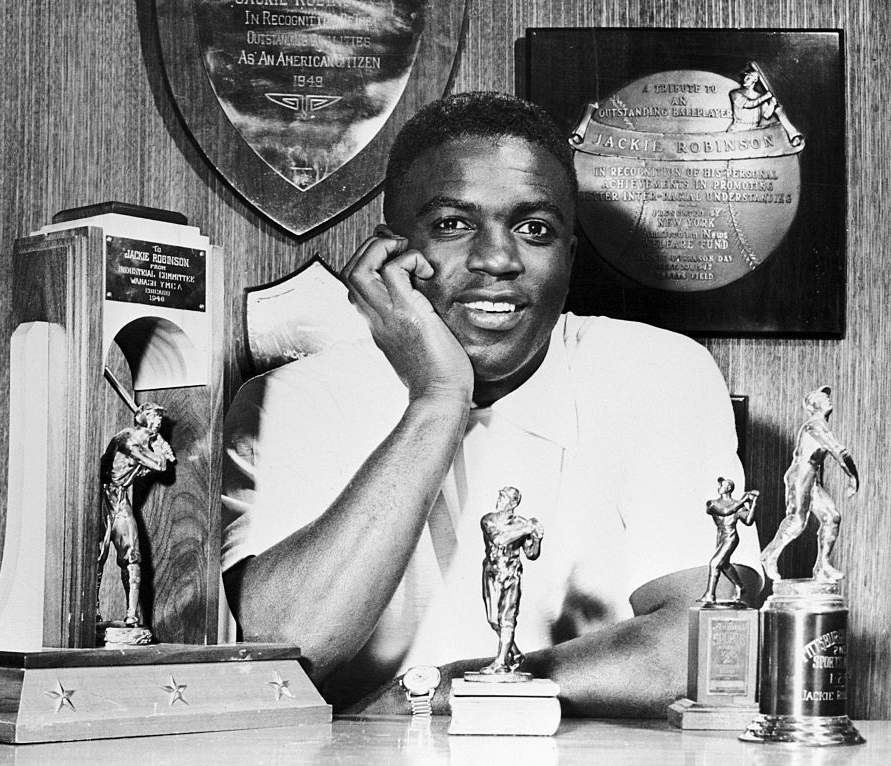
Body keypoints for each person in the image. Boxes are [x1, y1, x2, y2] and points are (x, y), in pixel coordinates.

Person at [221, 91, 759, 716]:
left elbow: (709, 644)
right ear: (391, 255)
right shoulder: (290, 402)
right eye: (453, 223)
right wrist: (439, 400)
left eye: (535, 229)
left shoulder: (655, 371)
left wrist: (451, 691)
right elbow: (289, 653)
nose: (499, 259)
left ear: (568, 256)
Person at [760, 386, 859, 583]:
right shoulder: (815, 425)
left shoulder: (820, 424)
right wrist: (853, 477)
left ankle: (822, 566)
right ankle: (769, 555)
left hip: (812, 479)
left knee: (832, 517)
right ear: (814, 405)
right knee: (797, 522)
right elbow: (840, 452)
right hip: (800, 477)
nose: (828, 400)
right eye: (823, 398)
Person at [98, 402, 175, 626]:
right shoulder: (129, 440)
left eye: (160, 417)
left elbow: (139, 470)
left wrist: (158, 449)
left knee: (132, 555)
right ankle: (93, 611)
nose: (158, 421)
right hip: (103, 497)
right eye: (154, 416)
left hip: (121, 497)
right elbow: (158, 466)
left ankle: (132, 615)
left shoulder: (143, 442)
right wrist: (161, 450)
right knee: (98, 555)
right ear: (143, 418)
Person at [477, 487, 543, 675]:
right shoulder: (489, 520)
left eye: (503, 497)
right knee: (492, 619)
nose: (499, 499)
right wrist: (528, 528)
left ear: (513, 503)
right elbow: (499, 540)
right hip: (492, 573)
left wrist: (537, 539)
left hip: (511, 574)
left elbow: (531, 554)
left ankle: (500, 662)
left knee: (506, 619)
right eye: (499, 495)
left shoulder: (522, 523)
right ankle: (515, 654)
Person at [698, 478, 759, 604]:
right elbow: (725, 511)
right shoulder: (712, 503)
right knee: (724, 565)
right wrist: (744, 499)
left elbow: (748, 521)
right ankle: (740, 587)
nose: (719, 486)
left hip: (731, 537)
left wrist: (753, 504)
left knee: (714, 563)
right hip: (720, 537)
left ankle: (710, 595)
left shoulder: (738, 504)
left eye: (722, 484)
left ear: (729, 488)